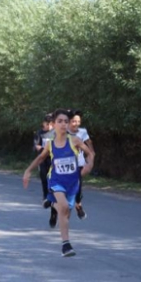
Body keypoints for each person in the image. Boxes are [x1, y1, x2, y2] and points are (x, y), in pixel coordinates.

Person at [23, 109, 94, 257]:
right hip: (56, 180)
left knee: (66, 211)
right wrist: (28, 170)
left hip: (72, 182)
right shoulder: (50, 144)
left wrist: (89, 164)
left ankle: (51, 202)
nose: (63, 124)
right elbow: (41, 158)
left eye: (65, 122)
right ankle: (66, 245)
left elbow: (90, 153)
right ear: (53, 124)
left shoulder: (74, 140)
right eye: (59, 121)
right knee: (63, 207)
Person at [68, 110, 93, 220]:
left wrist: (90, 160)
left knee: (77, 189)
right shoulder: (62, 132)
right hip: (63, 165)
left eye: (78, 121)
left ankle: (78, 205)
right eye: (74, 121)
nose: (76, 123)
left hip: (78, 164)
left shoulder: (82, 132)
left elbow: (89, 145)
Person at [35, 114, 56, 226]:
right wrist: (45, 149)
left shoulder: (56, 133)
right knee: (44, 178)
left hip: (55, 161)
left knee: (54, 185)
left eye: (51, 124)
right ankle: (45, 197)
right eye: (47, 123)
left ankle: (54, 211)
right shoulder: (39, 133)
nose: (49, 126)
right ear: (43, 123)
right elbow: (36, 146)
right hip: (43, 160)